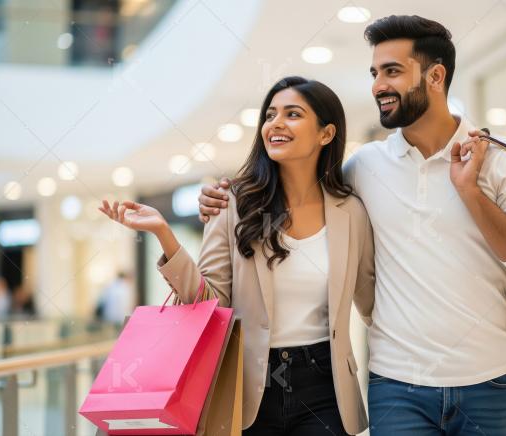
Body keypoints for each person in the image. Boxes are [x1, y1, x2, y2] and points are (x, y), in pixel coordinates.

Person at [198, 15, 506, 436]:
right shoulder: (363, 169)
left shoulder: (498, 161)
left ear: (435, 76)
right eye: (374, 73)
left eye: (392, 71)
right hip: (396, 385)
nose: (378, 86)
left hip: (488, 379)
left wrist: (470, 192)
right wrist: (227, 199)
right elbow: (299, 189)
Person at [99, 76, 375, 435]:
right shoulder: (232, 204)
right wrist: (165, 236)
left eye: (293, 114)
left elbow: (371, 301)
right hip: (246, 386)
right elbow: (209, 303)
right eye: (270, 115)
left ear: (326, 134)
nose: (276, 123)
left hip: (324, 385)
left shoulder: (350, 212)